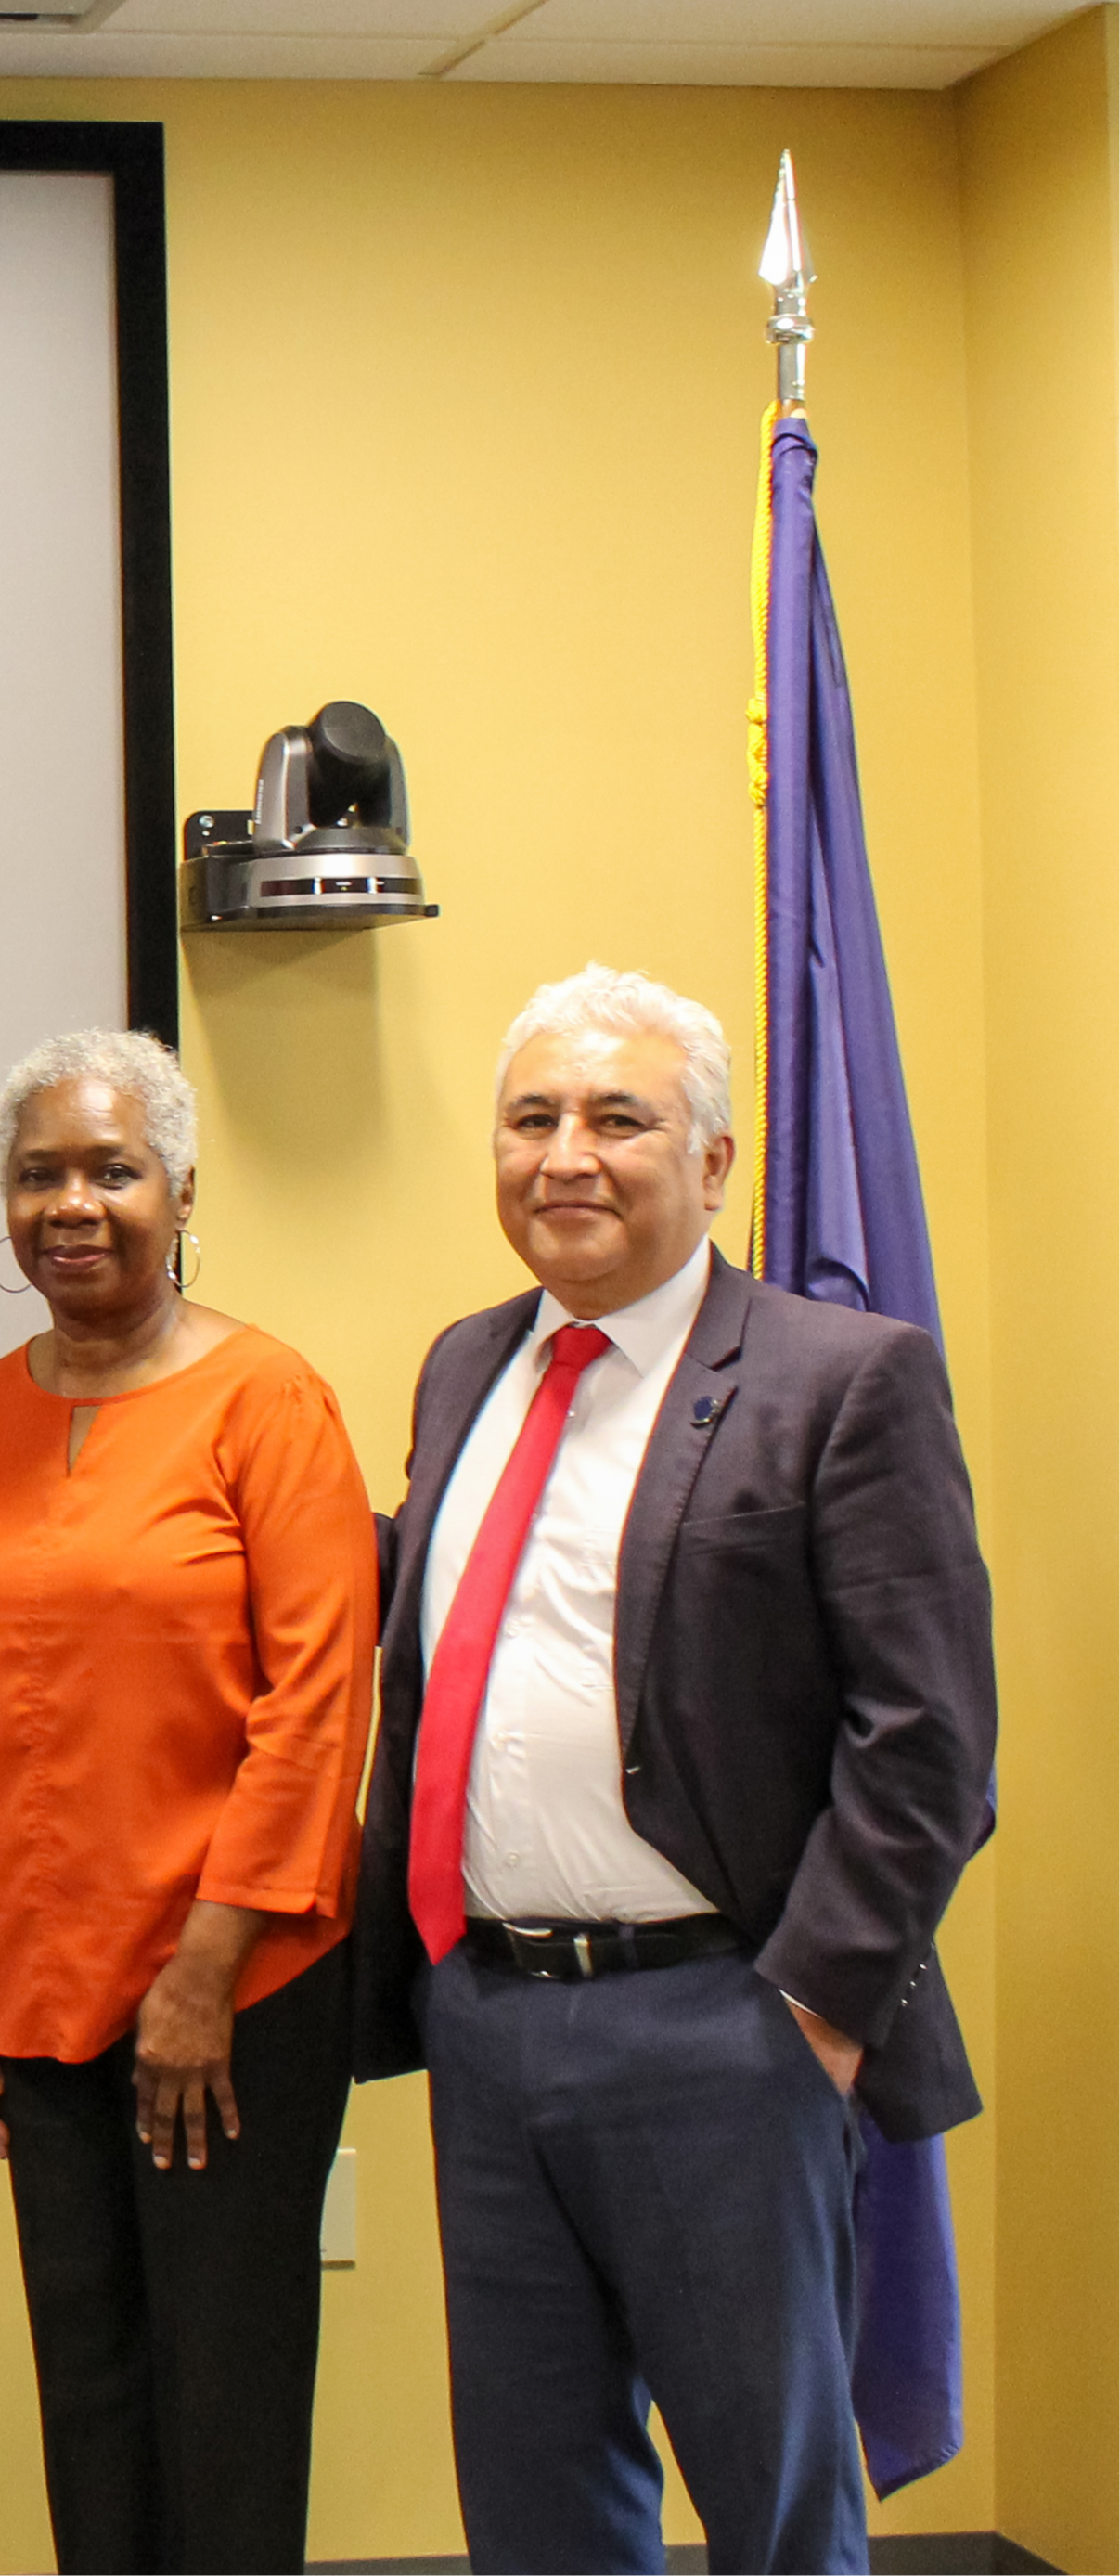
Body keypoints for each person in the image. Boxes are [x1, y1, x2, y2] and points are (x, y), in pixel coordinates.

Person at [354, 966, 994, 2576]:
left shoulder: (837, 1378)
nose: (564, 1154)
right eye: (529, 1119)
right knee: (536, 2500)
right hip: (488, 2023)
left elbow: (927, 1737)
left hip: (724, 2027)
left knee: (769, 2508)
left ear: (712, 1162)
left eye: (616, 1119)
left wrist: (817, 2010)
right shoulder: (462, 1366)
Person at [0, 1026, 375, 2576]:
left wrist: (206, 1968)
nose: (72, 1203)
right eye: (38, 1173)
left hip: (232, 1994)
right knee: (91, 2393)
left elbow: (318, 1705)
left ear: (178, 1190)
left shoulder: (268, 1400)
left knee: (224, 2396)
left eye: (109, 1170)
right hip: (39, 1990)